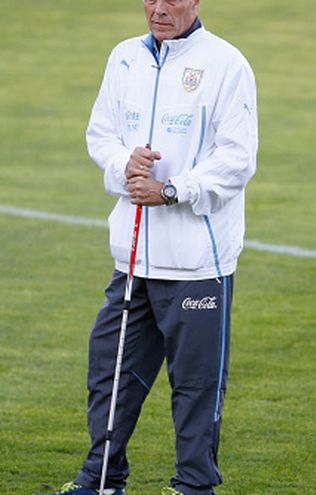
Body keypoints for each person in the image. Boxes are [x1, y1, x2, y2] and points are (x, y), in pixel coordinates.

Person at [39, 0, 258, 494]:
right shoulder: (124, 58)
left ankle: (194, 487)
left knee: (196, 387)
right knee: (109, 373)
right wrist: (125, 165)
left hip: (198, 266)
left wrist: (173, 190)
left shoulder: (226, 64)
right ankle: (102, 481)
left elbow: (238, 159)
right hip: (133, 261)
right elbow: (102, 135)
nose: (158, 8)